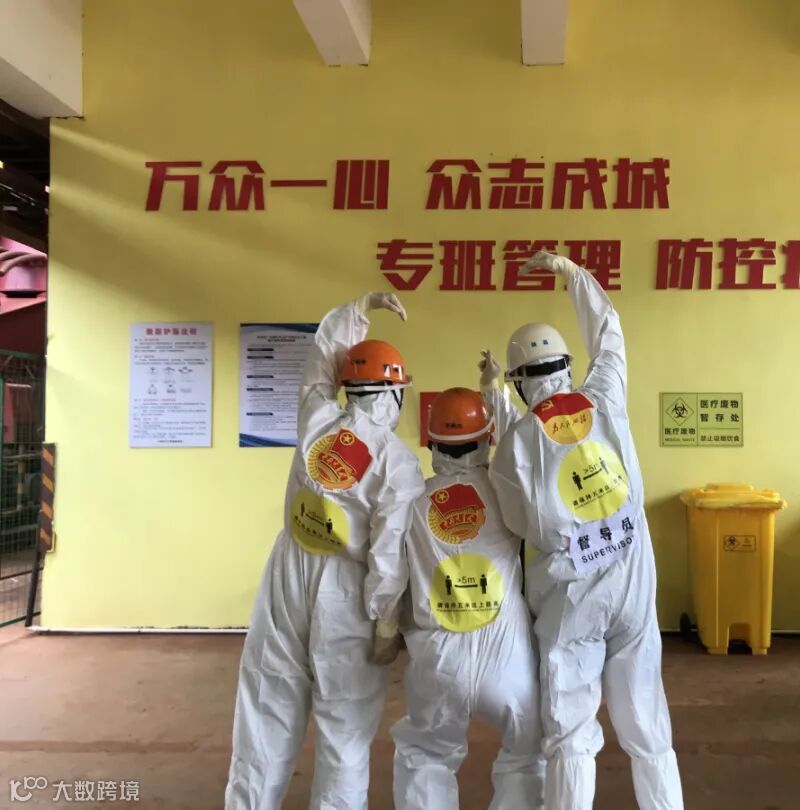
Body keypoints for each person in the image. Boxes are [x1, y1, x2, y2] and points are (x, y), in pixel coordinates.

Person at [483, 252, 684, 809]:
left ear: (519, 382)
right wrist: (574, 276)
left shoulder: (516, 443)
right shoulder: (606, 398)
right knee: (647, 725)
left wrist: (493, 397)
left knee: (570, 736)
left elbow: (519, 521)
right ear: (567, 366)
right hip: (633, 584)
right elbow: (609, 335)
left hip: (571, 601)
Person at [225, 292, 425, 810]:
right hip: (348, 592)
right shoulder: (397, 462)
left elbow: (319, 362)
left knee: (265, 707)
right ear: (395, 393)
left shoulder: (316, 419)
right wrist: (385, 621)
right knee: (344, 731)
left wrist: (357, 311)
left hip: (288, 571)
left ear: (347, 387)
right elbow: (387, 554)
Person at [366, 387, 546, 810]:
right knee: (527, 754)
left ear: (431, 443)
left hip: (438, 662)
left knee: (425, 753)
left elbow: (388, 572)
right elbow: (525, 451)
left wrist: (385, 626)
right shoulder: (508, 496)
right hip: (508, 662)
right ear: (487, 439)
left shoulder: (411, 500)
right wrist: (498, 394)